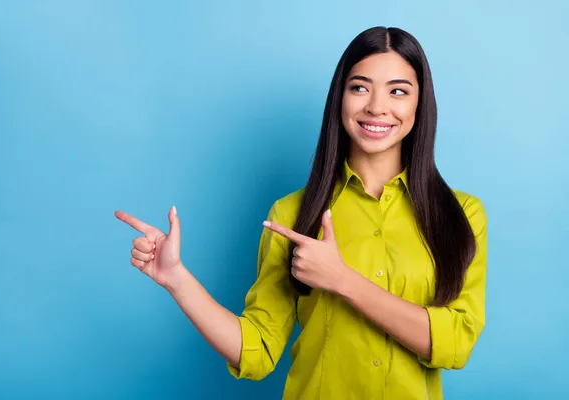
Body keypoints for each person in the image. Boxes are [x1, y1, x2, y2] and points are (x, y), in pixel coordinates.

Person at [114, 26, 487, 400]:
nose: (377, 106)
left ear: (420, 103)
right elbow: (257, 350)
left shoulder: (462, 215)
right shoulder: (292, 214)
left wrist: (341, 279)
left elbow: (455, 344)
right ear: (339, 98)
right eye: (359, 87)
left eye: (398, 91)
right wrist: (176, 279)